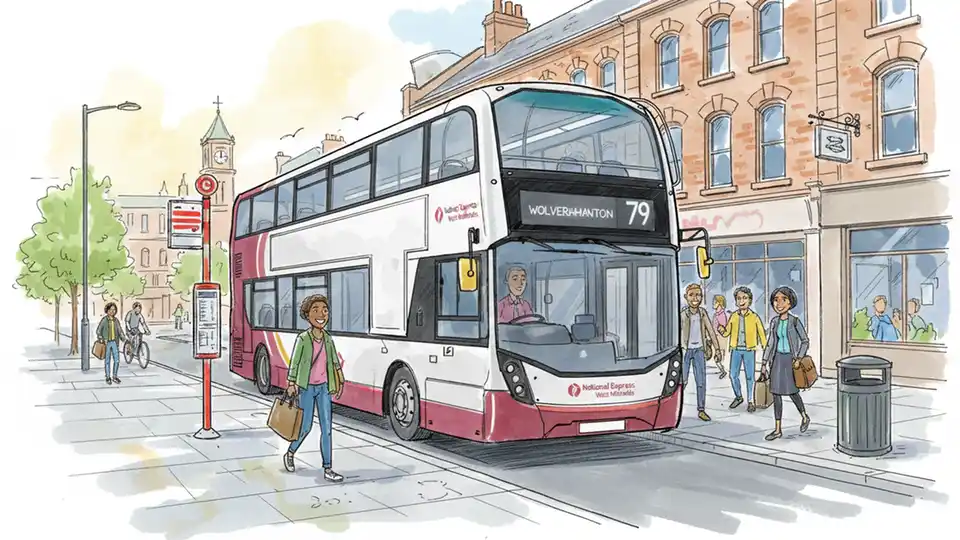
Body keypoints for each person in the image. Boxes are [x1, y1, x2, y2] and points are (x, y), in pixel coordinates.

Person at [282, 294, 345, 483]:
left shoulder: (328, 339)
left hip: (324, 387)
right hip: (307, 387)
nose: (321, 314)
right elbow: (294, 362)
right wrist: (292, 382)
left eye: (325, 310)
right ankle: (290, 452)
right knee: (305, 426)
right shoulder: (303, 339)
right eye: (316, 310)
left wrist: (340, 380)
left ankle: (328, 467)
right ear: (307, 315)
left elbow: (334, 362)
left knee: (327, 428)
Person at [761, 286, 812, 441]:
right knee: (776, 394)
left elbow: (805, 341)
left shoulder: (794, 321)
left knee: (792, 392)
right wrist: (764, 362)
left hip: (791, 361)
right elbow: (770, 343)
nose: (779, 303)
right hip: (777, 360)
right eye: (776, 300)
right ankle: (777, 429)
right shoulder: (774, 322)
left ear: (790, 303)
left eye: (783, 300)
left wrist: (798, 358)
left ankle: (804, 416)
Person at [718, 286, 767, 413]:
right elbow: (726, 332)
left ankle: (751, 401)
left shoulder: (754, 317)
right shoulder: (734, 316)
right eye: (739, 298)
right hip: (735, 349)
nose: (741, 301)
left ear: (750, 300)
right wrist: (721, 330)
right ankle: (738, 396)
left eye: (744, 298)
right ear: (736, 301)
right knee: (733, 375)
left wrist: (765, 349)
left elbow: (762, 334)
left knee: (750, 377)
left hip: (749, 350)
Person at [680, 284, 721, 421]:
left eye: (698, 295)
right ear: (686, 297)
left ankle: (701, 409)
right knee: (682, 381)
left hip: (699, 351)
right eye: (691, 295)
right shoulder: (683, 314)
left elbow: (710, 330)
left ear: (701, 297)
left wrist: (717, 349)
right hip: (685, 351)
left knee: (701, 381)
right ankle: (676, 407)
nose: (695, 298)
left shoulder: (702, 313)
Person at [96, 302, 126, 385]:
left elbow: (120, 331)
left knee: (116, 360)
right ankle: (108, 377)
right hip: (106, 343)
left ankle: (115, 376)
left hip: (114, 342)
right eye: (111, 310)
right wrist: (101, 338)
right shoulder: (104, 320)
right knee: (107, 361)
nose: (113, 311)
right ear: (107, 310)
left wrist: (124, 339)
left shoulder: (116, 320)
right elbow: (98, 331)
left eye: (114, 310)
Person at [712, 294, 729, 379]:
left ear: (720, 303)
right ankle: (722, 369)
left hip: (720, 339)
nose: (713, 304)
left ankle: (723, 370)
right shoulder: (716, 314)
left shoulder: (721, 315)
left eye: (715, 302)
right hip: (716, 338)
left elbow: (722, 328)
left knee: (718, 357)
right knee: (717, 356)